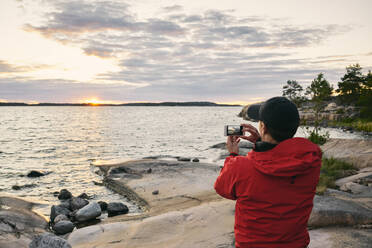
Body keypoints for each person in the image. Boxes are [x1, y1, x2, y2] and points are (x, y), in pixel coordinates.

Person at [214, 97, 321, 248]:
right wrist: (260, 141)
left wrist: (232, 156)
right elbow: (280, 159)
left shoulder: (240, 167)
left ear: (263, 127)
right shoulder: (311, 160)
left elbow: (222, 189)